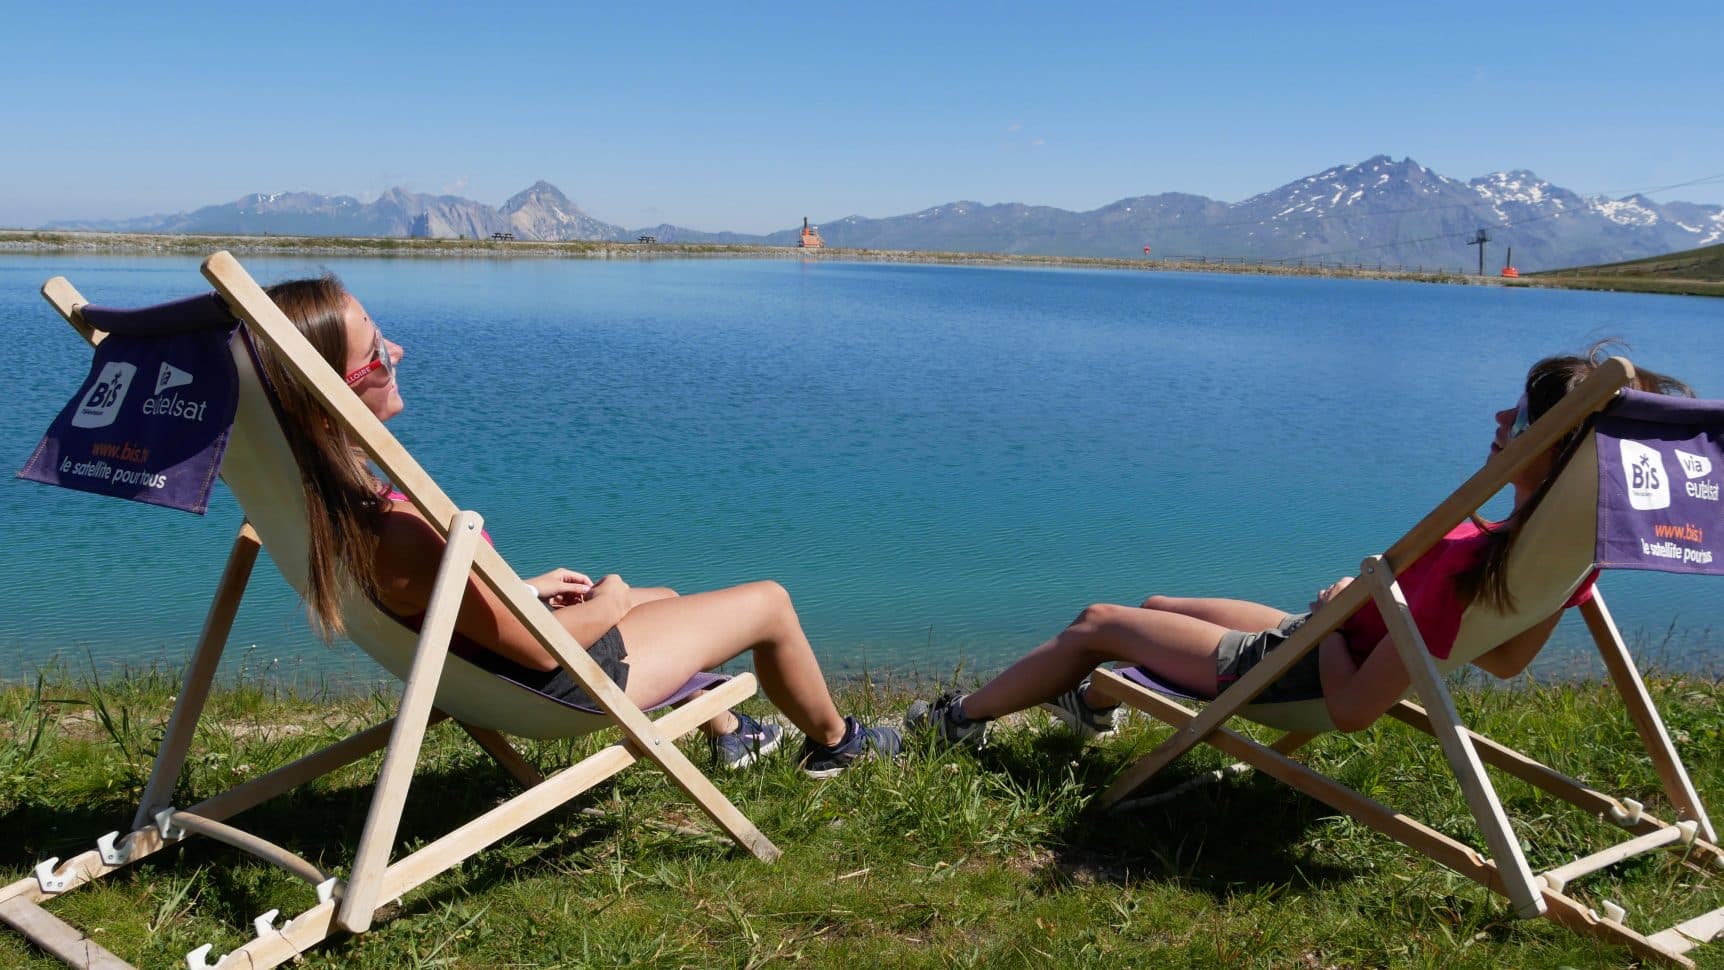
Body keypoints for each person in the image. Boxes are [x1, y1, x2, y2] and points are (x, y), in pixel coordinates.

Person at [257, 275, 900, 777]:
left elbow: (447, 601)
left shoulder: (339, 507)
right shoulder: (399, 532)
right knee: (770, 603)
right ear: (331, 395)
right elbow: (541, 649)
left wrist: (526, 589)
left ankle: (733, 735)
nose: (397, 351)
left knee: (673, 600)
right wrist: (613, 599)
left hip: (492, 672)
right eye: (376, 355)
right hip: (560, 682)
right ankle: (838, 745)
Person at [908, 342, 1692, 745]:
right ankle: (1092, 706)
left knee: (1098, 621)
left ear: (1554, 451)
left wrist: (1356, 612)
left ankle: (952, 723)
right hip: (1320, 636)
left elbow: (1352, 710)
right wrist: (1375, 616)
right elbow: (1508, 660)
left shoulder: (1467, 565)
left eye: (1520, 419)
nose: (1498, 421)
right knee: (1156, 607)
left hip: (1295, 672)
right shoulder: (1552, 557)